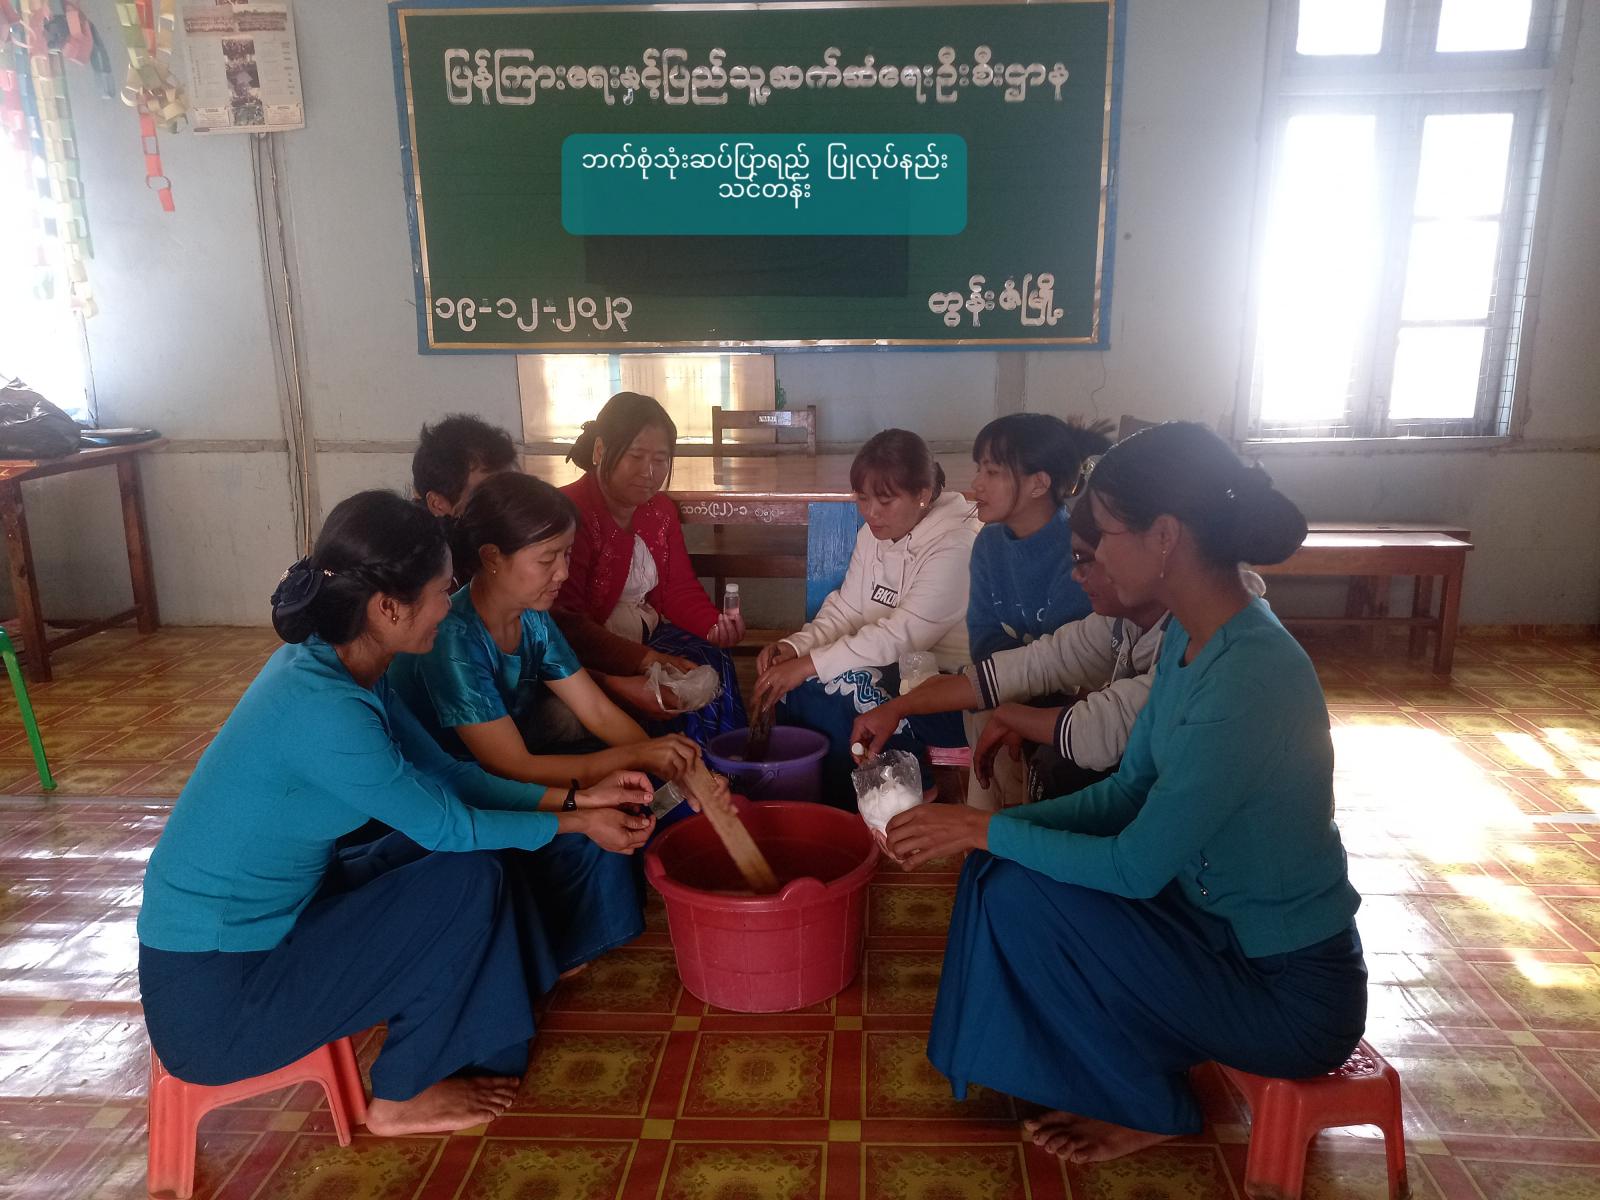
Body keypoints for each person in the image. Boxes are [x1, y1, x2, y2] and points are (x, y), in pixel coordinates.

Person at [886, 422, 1365, 1165]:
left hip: (1288, 996)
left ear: (1164, 537)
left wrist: (983, 829)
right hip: (1213, 936)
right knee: (1005, 874)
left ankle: (1146, 1102)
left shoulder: (1250, 674)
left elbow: (1136, 866)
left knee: (1012, 869)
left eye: (1103, 537)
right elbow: (1129, 790)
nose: (1092, 558)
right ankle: (1066, 1064)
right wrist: (988, 830)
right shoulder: (1188, 641)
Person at [137, 491, 655, 1137]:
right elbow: (448, 826)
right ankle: (400, 1095)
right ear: (388, 606)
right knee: (464, 875)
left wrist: (579, 800)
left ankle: (493, 1016)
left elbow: (450, 777)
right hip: (220, 996)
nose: (448, 605)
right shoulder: (325, 708)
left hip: (282, 924)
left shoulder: (348, 667)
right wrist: (578, 822)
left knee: (473, 863)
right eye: (441, 591)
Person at [389, 471, 705, 788]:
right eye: (547, 560)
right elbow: (511, 766)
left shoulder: (532, 616)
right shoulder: (453, 639)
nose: (563, 572)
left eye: (567, 554)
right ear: (492, 557)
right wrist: (642, 757)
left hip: (507, 756)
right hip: (441, 782)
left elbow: (596, 710)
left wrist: (666, 762)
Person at [850, 499, 1171, 808]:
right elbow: (1031, 664)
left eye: (1086, 558)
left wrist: (1016, 717)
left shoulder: (1183, 645)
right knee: (989, 712)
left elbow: (1104, 728)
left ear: (1162, 541)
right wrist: (898, 708)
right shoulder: (1116, 624)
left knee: (1041, 756)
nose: (1076, 574)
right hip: (1098, 756)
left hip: (1148, 807)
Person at [752, 429, 979, 801]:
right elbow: (848, 609)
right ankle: (834, 798)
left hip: (948, 695)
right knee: (798, 688)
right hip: (891, 671)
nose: (870, 513)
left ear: (923, 494)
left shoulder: (957, 546)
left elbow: (899, 637)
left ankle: (911, 788)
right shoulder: (876, 533)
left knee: (844, 686)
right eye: (862, 498)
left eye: (885, 501)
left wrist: (808, 664)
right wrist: (795, 648)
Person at [411, 414, 689, 715]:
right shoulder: (433, 595)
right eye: (487, 495)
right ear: (438, 504)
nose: (508, 505)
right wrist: (618, 684)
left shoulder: (531, 610)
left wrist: (619, 679)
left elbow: (552, 648)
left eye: (513, 488)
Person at [558, 392, 746, 743]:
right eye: (636, 456)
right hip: (587, 650)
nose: (649, 473)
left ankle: (724, 766)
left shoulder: (659, 510)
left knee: (710, 660)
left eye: (660, 460)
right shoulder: (570, 511)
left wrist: (713, 626)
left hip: (646, 635)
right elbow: (566, 624)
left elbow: (677, 588)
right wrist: (646, 659)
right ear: (600, 451)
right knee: (662, 691)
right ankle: (666, 772)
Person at [961, 412, 1110, 805]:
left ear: (1038, 484)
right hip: (1009, 690)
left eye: (992, 472)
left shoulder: (1076, 552)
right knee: (979, 708)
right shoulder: (988, 544)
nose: (976, 484)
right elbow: (982, 637)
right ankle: (987, 831)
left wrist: (1021, 712)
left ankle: (1015, 827)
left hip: (1072, 706)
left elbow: (1073, 668)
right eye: (979, 469)